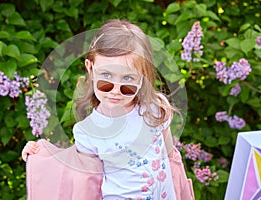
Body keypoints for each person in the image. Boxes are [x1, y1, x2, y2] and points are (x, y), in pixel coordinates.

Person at [22, 19, 194, 200]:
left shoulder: (154, 109)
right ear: (90, 68)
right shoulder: (88, 131)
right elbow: (82, 181)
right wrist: (40, 156)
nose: (116, 91)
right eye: (106, 77)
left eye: (127, 79)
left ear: (143, 76)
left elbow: (171, 160)